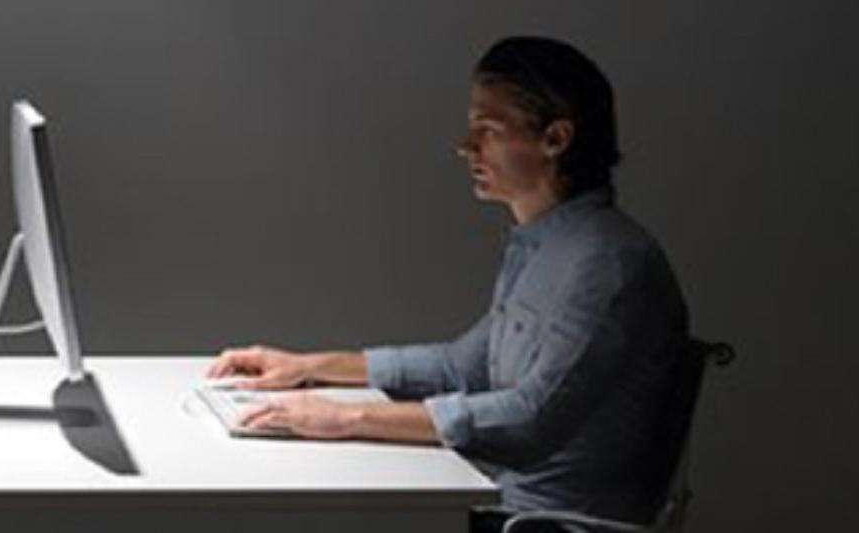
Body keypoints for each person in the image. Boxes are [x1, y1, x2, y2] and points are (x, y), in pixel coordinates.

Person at [206, 37, 689, 531]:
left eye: (488, 130)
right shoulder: (544, 243)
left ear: (555, 139)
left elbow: (531, 420)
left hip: (542, 524)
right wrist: (309, 366)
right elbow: (462, 365)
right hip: (502, 505)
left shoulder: (607, 264)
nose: (466, 147)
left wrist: (342, 419)